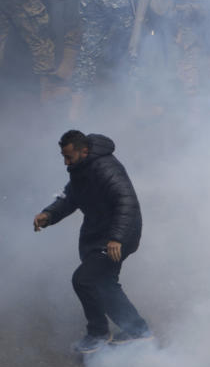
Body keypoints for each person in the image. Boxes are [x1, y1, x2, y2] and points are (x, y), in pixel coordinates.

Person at [33, 130, 152, 353]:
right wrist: (48, 215)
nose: (66, 162)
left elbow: (126, 202)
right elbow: (71, 197)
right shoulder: (80, 168)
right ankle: (138, 330)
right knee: (105, 283)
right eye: (63, 157)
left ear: (84, 151)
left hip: (118, 236)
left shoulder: (106, 169)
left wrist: (116, 238)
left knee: (84, 280)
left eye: (69, 157)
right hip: (102, 235)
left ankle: (98, 334)